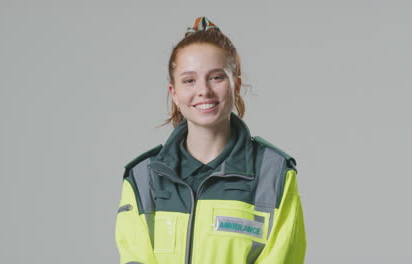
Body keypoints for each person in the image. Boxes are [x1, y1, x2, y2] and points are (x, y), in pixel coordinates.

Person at [115, 16, 306, 264]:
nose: (203, 90)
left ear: (236, 85)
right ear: (174, 92)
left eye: (216, 77)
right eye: (189, 80)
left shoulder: (273, 173)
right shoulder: (144, 178)